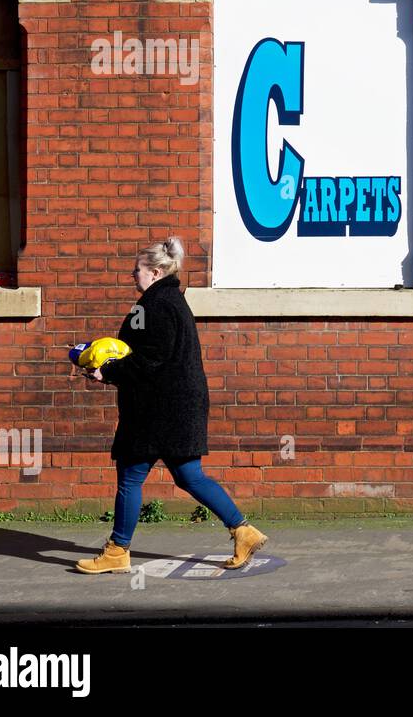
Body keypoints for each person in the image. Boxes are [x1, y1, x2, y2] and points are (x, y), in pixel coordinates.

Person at [75, 236, 268, 574]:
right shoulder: (167, 301)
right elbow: (140, 353)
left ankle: (117, 551)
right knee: (189, 475)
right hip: (176, 406)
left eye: (137, 271)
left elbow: (150, 360)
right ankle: (243, 531)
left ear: (156, 271)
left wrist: (107, 372)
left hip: (157, 410)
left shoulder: (156, 305)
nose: (133, 276)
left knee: (131, 478)